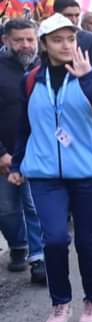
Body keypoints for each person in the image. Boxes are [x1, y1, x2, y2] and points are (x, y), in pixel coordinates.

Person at [9, 13, 92, 322]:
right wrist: (18, 164)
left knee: (88, 242)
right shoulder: (31, 80)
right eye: (57, 40)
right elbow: (25, 126)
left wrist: (89, 79)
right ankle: (60, 303)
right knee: (53, 239)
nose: (66, 45)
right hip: (44, 174)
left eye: (70, 39)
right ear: (44, 45)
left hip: (89, 173)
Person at [0, 19, 45, 282]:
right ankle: (18, 245)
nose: (26, 45)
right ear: (6, 40)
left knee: (35, 205)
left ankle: (39, 257)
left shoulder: (46, 68)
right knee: (6, 209)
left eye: (30, 39)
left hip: (38, 153)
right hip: (5, 155)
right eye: (19, 40)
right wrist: (2, 153)